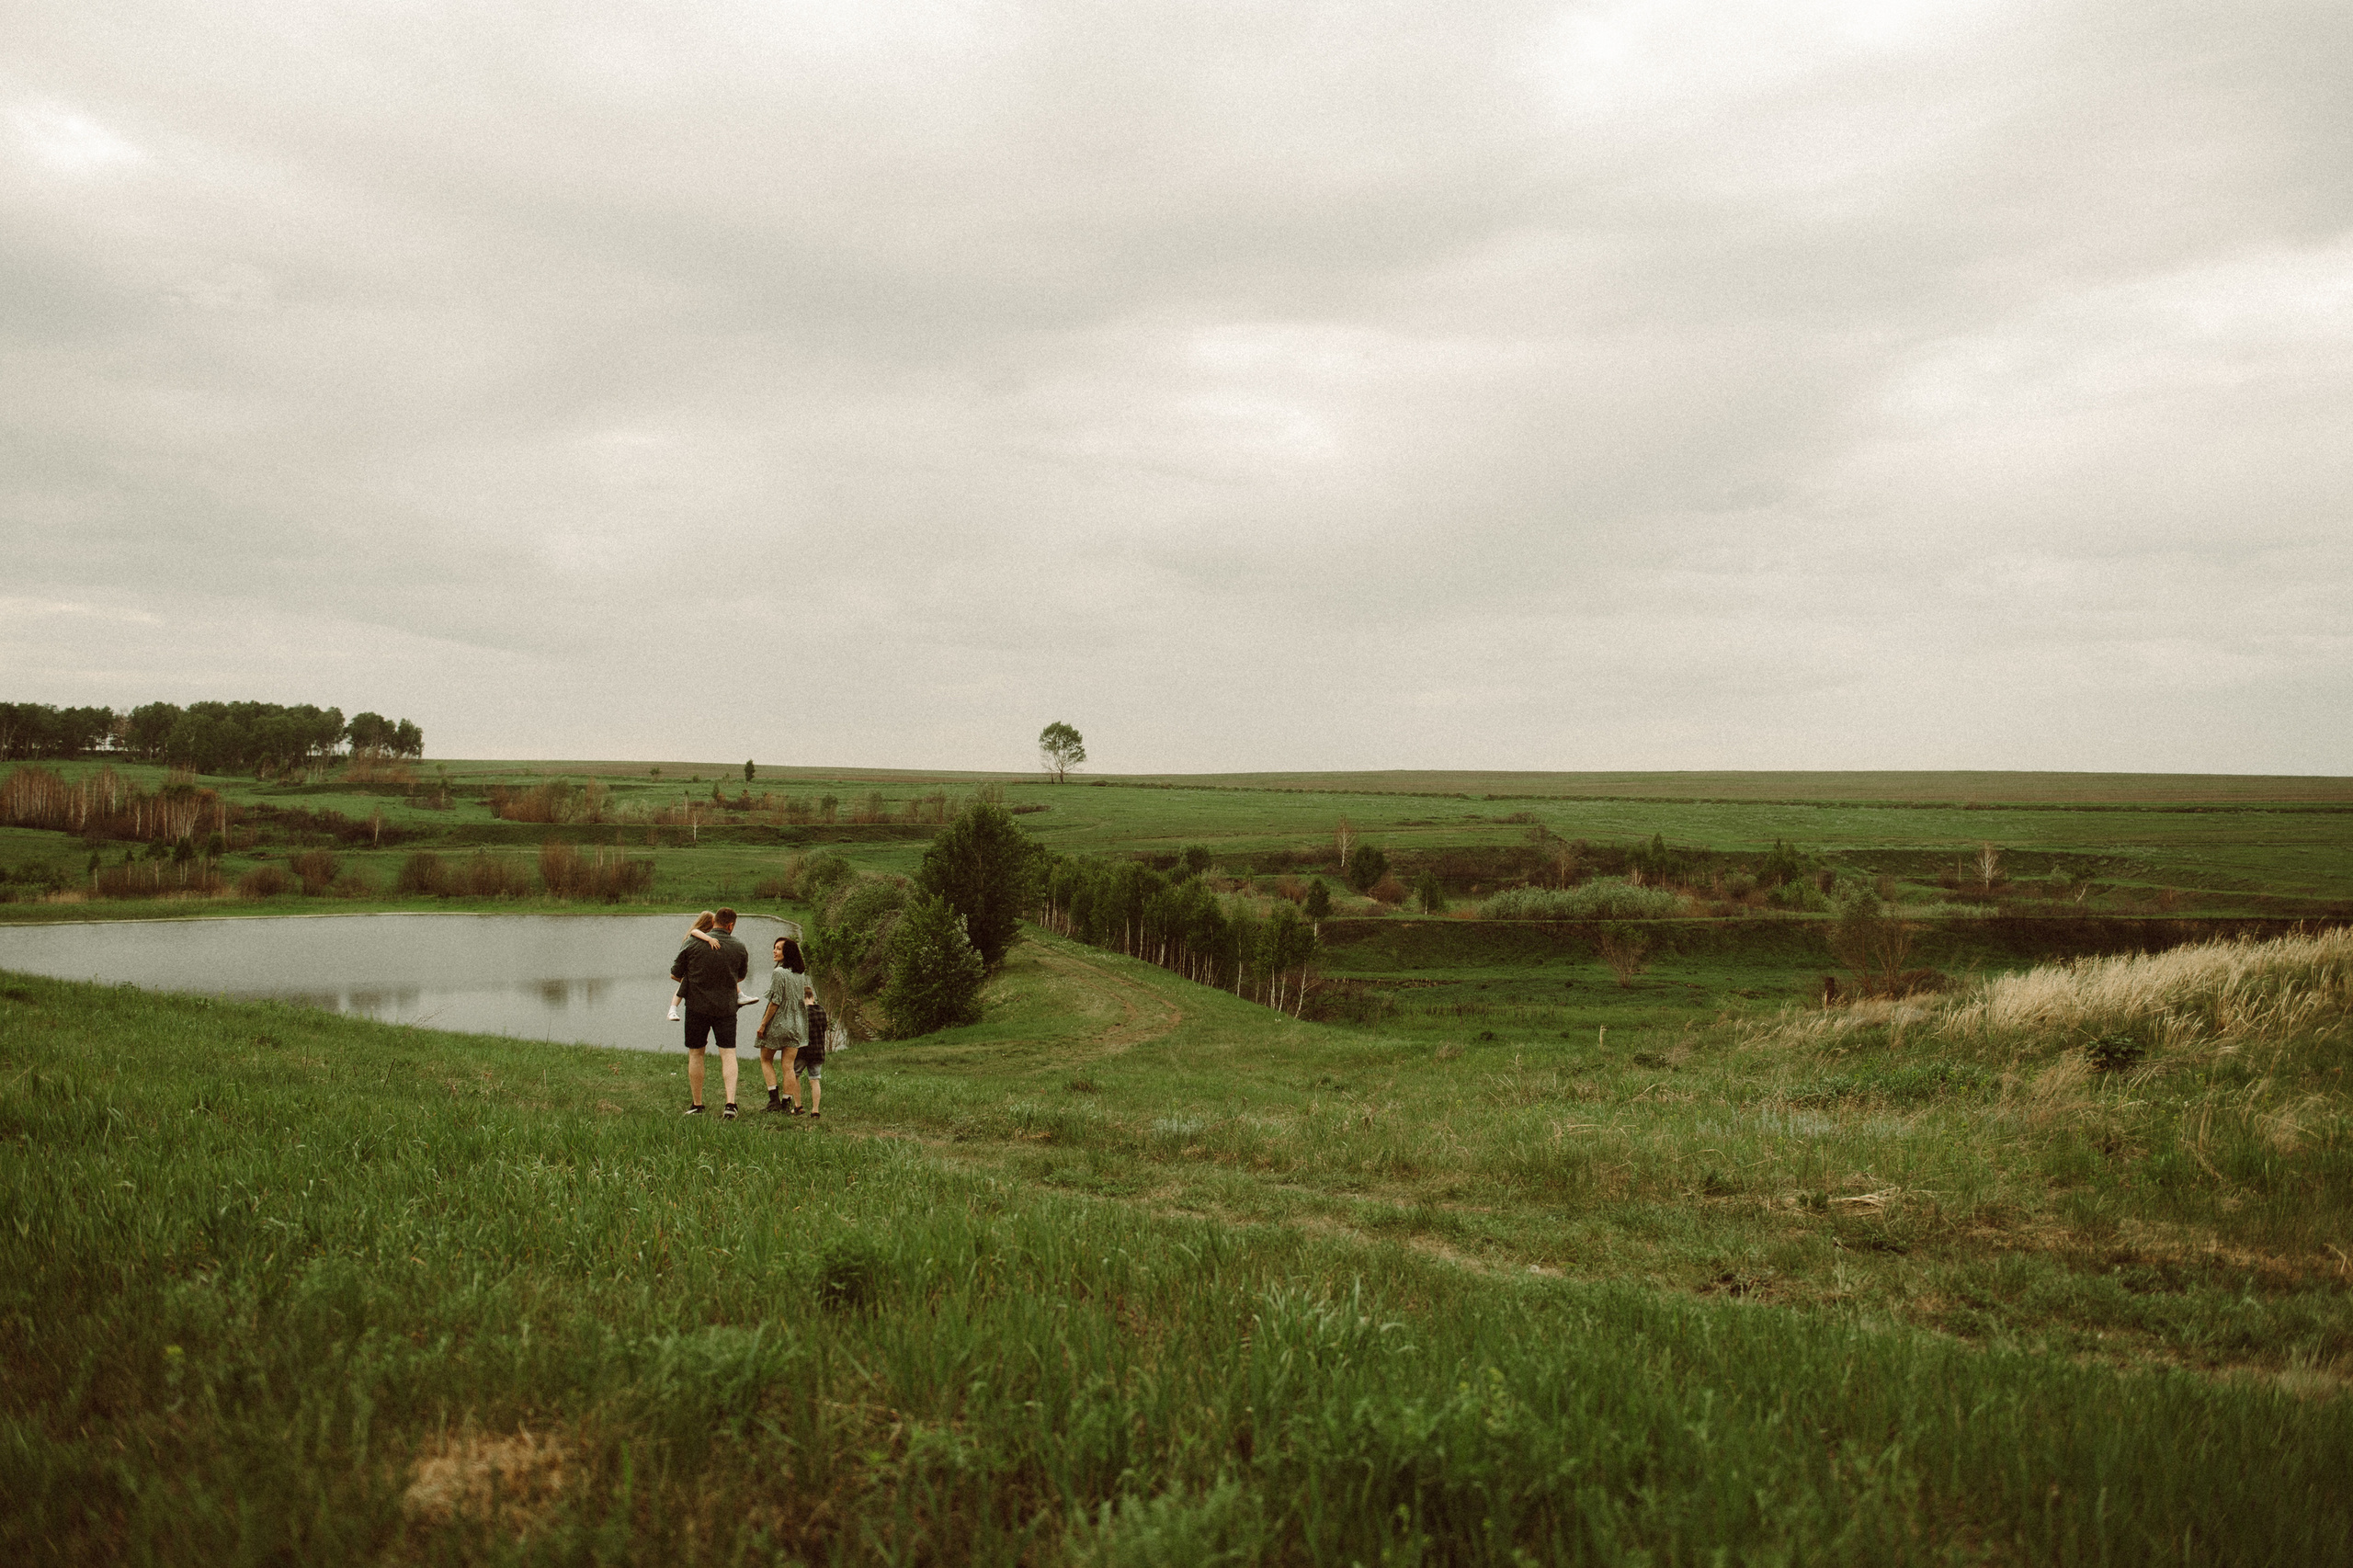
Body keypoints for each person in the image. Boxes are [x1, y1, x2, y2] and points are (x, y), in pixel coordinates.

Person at [670, 906, 749, 1119]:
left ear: (714, 922)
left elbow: (675, 974)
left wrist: (697, 981)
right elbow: (739, 978)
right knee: (728, 1053)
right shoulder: (739, 946)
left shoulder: (692, 943)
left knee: (696, 1054)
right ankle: (730, 1104)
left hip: (697, 1007)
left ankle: (697, 1105)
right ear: (731, 925)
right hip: (726, 1008)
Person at [669, 913, 764, 1021]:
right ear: (711, 924)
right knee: (684, 986)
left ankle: (741, 995)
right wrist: (710, 939)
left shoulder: (695, 940)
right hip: (694, 978)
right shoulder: (696, 937)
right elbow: (694, 931)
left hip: (697, 991)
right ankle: (672, 1009)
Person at [754, 936, 811, 1113]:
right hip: (796, 1024)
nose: (775, 951)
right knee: (788, 1065)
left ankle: (773, 1101)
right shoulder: (800, 974)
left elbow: (775, 1002)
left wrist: (763, 1024)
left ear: (787, 953)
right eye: (775, 947)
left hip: (779, 1023)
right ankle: (787, 1104)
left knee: (765, 1059)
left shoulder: (779, 973)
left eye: (778, 948)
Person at [794, 995, 831, 1119]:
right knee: (815, 1080)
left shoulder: (801, 1012)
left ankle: (798, 1106)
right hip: (817, 1050)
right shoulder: (822, 1011)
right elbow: (824, 1028)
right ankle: (815, 1110)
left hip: (802, 1051)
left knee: (795, 1076)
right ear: (813, 997)